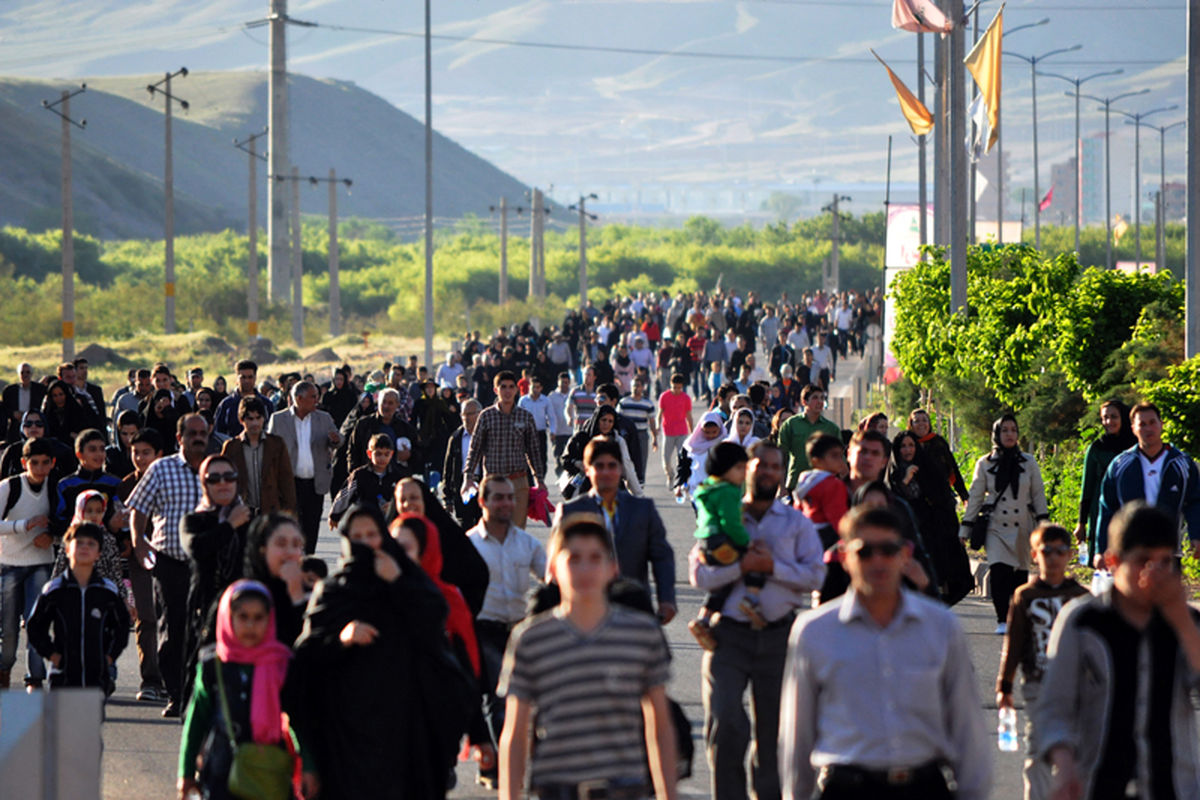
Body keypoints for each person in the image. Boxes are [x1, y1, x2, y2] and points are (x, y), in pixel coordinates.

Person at [778, 506, 992, 800]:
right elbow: (797, 733)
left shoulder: (941, 627)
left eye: (888, 550)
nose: (878, 561)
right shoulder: (815, 631)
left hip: (924, 787)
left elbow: (967, 727)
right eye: (865, 551)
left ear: (905, 555)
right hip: (847, 788)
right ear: (844, 557)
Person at [497, 513, 678, 800]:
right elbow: (515, 731)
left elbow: (659, 723)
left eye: (595, 558)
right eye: (573, 559)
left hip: (624, 785)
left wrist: (669, 794)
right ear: (554, 569)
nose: (585, 569)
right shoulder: (530, 639)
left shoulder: (641, 634)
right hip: (556, 785)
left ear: (612, 569)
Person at [1034, 502, 1200, 800]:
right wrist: (1065, 764)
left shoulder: (1187, 622)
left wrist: (1181, 620)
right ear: (1113, 561)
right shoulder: (1083, 621)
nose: (1154, 573)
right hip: (1097, 783)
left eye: (1165, 562)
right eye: (1143, 561)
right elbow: (1054, 708)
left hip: (1175, 787)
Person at [689, 440, 825, 800]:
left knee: (775, 734)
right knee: (726, 721)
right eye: (760, 464)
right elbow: (699, 575)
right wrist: (740, 566)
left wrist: (771, 567)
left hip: (779, 638)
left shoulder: (795, 522)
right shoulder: (721, 510)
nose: (767, 472)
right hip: (727, 637)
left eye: (775, 467)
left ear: (782, 474)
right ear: (745, 468)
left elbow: (816, 576)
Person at [292, 505, 451, 799]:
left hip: (401, 730)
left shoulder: (408, 580)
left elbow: (434, 624)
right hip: (342, 732)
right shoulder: (332, 592)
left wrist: (399, 583)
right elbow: (305, 659)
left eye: (372, 535)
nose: (365, 543)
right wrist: (341, 639)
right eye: (357, 536)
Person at [176, 580, 316, 800]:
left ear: (270, 620)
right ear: (228, 618)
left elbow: (297, 718)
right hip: (221, 771)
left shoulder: (280, 663)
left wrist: (307, 765)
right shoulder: (214, 664)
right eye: (243, 617)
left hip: (268, 771)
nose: (251, 626)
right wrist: (185, 773)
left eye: (259, 618)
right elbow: (197, 719)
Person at [466, 475, 548, 789]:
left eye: (510, 498)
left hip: (519, 633)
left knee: (526, 702)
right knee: (497, 700)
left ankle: (515, 765)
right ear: (482, 501)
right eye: (498, 498)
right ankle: (497, 764)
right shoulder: (469, 545)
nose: (506, 504)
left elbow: (550, 578)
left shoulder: (527, 544)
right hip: (483, 632)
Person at [995, 523, 1087, 800]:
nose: (1054, 557)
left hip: (1076, 687)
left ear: (1070, 555)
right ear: (1034, 555)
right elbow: (1015, 642)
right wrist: (1004, 685)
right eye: (1047, 551)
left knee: (1077, 749)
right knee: (1038, 750)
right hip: (1038, 683)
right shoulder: (1026, 595)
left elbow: (1093, 646)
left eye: (1061, 551)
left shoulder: (1081, 597)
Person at [127, 413, 209, 717]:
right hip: (169, 562)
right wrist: (138, 542)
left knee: (203, 629)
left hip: (206, 564)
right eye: (192, 433)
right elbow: (139, 507)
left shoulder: (216, 470)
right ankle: (174, 693)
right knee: (173, 629)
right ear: (180, 438)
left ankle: (196, 694)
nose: (198, 437)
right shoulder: (162, 468)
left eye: (203, 432)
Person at [557, 438, 675, 621]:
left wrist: (666, 599)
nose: (606, 472)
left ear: (621, 469)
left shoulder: (643, 510)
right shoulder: (570, 512)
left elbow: (662, 556)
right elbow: (556, 564)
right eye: (599, 466)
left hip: (633, 610)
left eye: (612, 465)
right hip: (584, 612)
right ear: (587, 470)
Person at [960, 414, 1050, 633]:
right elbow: (975, 497)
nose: (1009, 434)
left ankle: (1017, 617)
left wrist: (1043, 524)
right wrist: (965, 528)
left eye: (1013, 430)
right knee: (999, 572)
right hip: (997, 526)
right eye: (1005, 430)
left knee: (1019, 577)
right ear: (997, 435)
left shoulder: (1028, 462)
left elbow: (1038, 494)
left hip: (1023, 525)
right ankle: (1002, 619)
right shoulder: (985, 463)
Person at [179, 454, 253, 708]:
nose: (223, 484)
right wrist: (229, 525)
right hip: (206, 612)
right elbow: (197, 547)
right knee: (201, 690)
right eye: (214, 478)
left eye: (229, 477)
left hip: (246, 615)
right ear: (204, 484)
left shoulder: (250, 521)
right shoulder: (194, 521)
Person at [27, 522, 130, 695]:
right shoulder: (55, 590)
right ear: (67, 549)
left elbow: (121, 626)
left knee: (86, 721)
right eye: (79, 543)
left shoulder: (107, 591)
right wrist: (52, 655)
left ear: (98, 553)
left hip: (96, 677)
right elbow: (35, 626)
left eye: (91, 544)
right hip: (63, 676)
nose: (84, 548)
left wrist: (109, 657)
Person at [1097, 401, 1200, 561]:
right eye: (1142, 424)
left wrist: (1196, 535)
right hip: (1131, 552)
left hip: (1168, 551)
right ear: (1133, 429)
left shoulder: (1181, 463)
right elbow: (1107, 508)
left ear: (1161, 424)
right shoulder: (1120, 465)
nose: (1148, 428)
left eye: (1152, 422)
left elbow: (1194, 501)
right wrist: (1101, 549)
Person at [888, 429, 972, 605]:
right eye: (903, 446)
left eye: (911, 445)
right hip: (906, 539)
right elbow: (891, 501)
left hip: (933, 535)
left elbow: (943, 500)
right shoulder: (892, 474)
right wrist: (905, 480)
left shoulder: (929, 468)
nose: (907, 450)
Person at [0, 437, 57, 690]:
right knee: (9, 628)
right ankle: (4, 668)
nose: (40, 468)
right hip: (9, 563)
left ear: (53, 463)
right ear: (24, 463)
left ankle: (35, 678)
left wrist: (52, 535)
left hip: (41, 563)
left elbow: (66, 520)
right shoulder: (9, 487)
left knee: (36, 623)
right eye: (34, 463)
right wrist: (24, 525)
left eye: (46, 463)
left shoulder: (56, 487)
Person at [464, 371, 545, 528]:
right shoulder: (486, 416)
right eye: (503, 387)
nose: (507, 391)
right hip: (493, 482)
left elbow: (534, 451)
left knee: (517, 531)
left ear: (517, 390)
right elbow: (475, 449)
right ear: (496, 390)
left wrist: (539, 480)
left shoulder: (525, 417)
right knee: (494, 528)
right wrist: (468, 477)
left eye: (511, 387)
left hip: (518, 481)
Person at [269, 381, 341, 554]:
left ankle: (308, 559)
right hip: (289, 483)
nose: (317, 400)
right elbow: (270, 448)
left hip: (315, 483)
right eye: (313, 396)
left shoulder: (323, 418)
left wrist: (335, 439)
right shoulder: (279, 419)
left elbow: (338, 439)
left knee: (312, 524)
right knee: (291, 524)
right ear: (299, 399)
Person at [1074, 400, 1136, 567]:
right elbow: (1087, 487)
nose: (1109, 422)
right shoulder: (1097, 448)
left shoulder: (1136, 447)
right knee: (1106, 564)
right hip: (1102, 512)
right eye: (1105, 418)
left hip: (1130, 511)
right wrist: (1082, 523)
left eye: (1113, 417)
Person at [220, 396, 296, 516]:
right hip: (242, 513)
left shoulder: (276, 444)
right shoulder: (231, 447)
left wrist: (289, 512)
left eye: (258, 418)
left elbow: (286, 481)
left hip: (270, 512)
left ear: (264, 419)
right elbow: (223, 481)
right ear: (241, 420)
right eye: (250, 419)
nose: (254, 423)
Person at [242, 514, 309, 647]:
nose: (290, 552)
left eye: (296, 545)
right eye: (281, 544)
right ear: (262, 549)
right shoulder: (242, 594)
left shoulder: (311, 594)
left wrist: (297, 597)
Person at [329, 433, 402, 525]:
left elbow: (404, 498)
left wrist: (393, 506)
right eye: (378, 454)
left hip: (389, 521)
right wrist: (335, 515)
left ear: (391, 454)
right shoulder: (360, 475)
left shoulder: (397, 476)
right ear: (369, 453)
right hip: (364, 519)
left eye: (386, 454)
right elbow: (345, 494)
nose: (382, 458)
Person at [778, 384, 841, 492]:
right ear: (804, 402)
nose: (820, 402)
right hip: (795, 484)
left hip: (824, 485)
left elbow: (840, 460)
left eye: (822, 398)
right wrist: (781, 487)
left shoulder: (831, 428)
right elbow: (780, 458)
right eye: (815, 398)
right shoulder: (790, 424)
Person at [908, 408, 969, 504]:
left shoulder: (938, 442)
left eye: (925, 420)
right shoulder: (907, 444)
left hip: (942, 497)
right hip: (917, 501)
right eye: (916, 421)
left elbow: (952, 468)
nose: (921, 424)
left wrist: (963, 494)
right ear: (911, 425)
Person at [442, 399, 483, 529]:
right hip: (463, 487)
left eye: (470, 414)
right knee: (465, 526)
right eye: (463, 414)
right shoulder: (456, 437)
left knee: (483, 526)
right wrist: (447, 497)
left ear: (480, 414)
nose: (466, 418)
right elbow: (448, 469)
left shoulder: (488, 435)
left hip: (483, 485)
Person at [213, 360, 274, 438]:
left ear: (255, 378)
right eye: (243, 377)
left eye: (250, 377)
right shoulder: (226, 405)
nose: (247, 381)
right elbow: (218, 433)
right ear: (237, 379)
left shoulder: (266, 404)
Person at [673, 411, 727, 498]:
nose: (710, 436)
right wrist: (679, 484)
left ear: (720, 429)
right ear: (700, 430)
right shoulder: (691, 445)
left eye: (714, 432)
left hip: (719, 491)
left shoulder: (725, 444)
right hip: (697, 490)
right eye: (707, 432)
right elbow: (683, 467)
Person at [657, 373, 694, 487]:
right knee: (666, 459)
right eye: (674, 387)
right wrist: (658, 425)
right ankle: (670, 474)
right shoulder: (664, 396)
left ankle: (680, 479)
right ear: (670, 385)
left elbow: (689, 416)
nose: (677, 390)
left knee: (681, 457)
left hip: (682, 431)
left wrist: (692, 432)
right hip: (668, 432)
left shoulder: (686, 398)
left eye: (679, 387)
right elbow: (660, 413)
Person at [517, 375, 555, 479]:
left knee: (542, 458)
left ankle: (541, 479)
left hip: (540, 433)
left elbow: (551, 417)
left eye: (538, 387)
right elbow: (518, 417)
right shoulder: (523, 400)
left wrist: (552, 431)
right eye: (533, 387)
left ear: (541, 388)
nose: (535, 390)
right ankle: (530, 481)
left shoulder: (545, 400)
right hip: (527, 434)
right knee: (527, 458)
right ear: (529, 387)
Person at [3, 363, 46, 443]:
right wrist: (13, 414)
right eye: (22, 372)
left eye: (28, 372)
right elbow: (4, 409)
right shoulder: (10, 391)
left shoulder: (40, 390)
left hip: (35, 427)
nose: (25, 375)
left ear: (32, 374)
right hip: (15, 429)